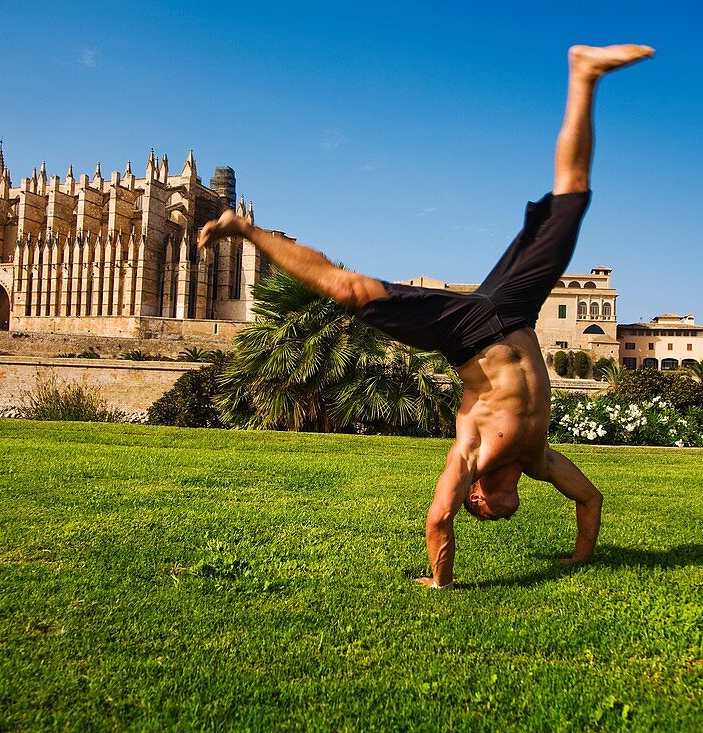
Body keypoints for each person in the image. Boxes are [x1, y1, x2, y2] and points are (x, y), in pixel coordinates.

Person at [199, 44, 655, 589]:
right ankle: (585, 74)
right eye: (492, 513)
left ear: (479, 496)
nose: (499, 513)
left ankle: (245, 228)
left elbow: (438, 519)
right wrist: (582, 556)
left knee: (349, 289)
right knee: (573, 199)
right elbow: (590, 500)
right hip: (515, 312)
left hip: (462, 330)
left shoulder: (472, 454)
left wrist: (440, 581)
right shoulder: (539, 460)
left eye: (485, 512)